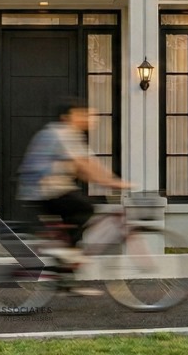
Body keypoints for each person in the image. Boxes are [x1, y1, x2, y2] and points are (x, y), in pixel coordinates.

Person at [17, 96, 132, 256]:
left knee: (76, 215)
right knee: (84, 210)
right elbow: (83, 164)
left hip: (52, 187)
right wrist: (111, 182)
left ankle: (67, 251)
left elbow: (90, 164)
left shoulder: (71, 134)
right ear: (66, 117)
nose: (87, 118)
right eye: (80, 114)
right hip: (42, 188)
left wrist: (109, 179)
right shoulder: (62, 133)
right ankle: (67, 253)